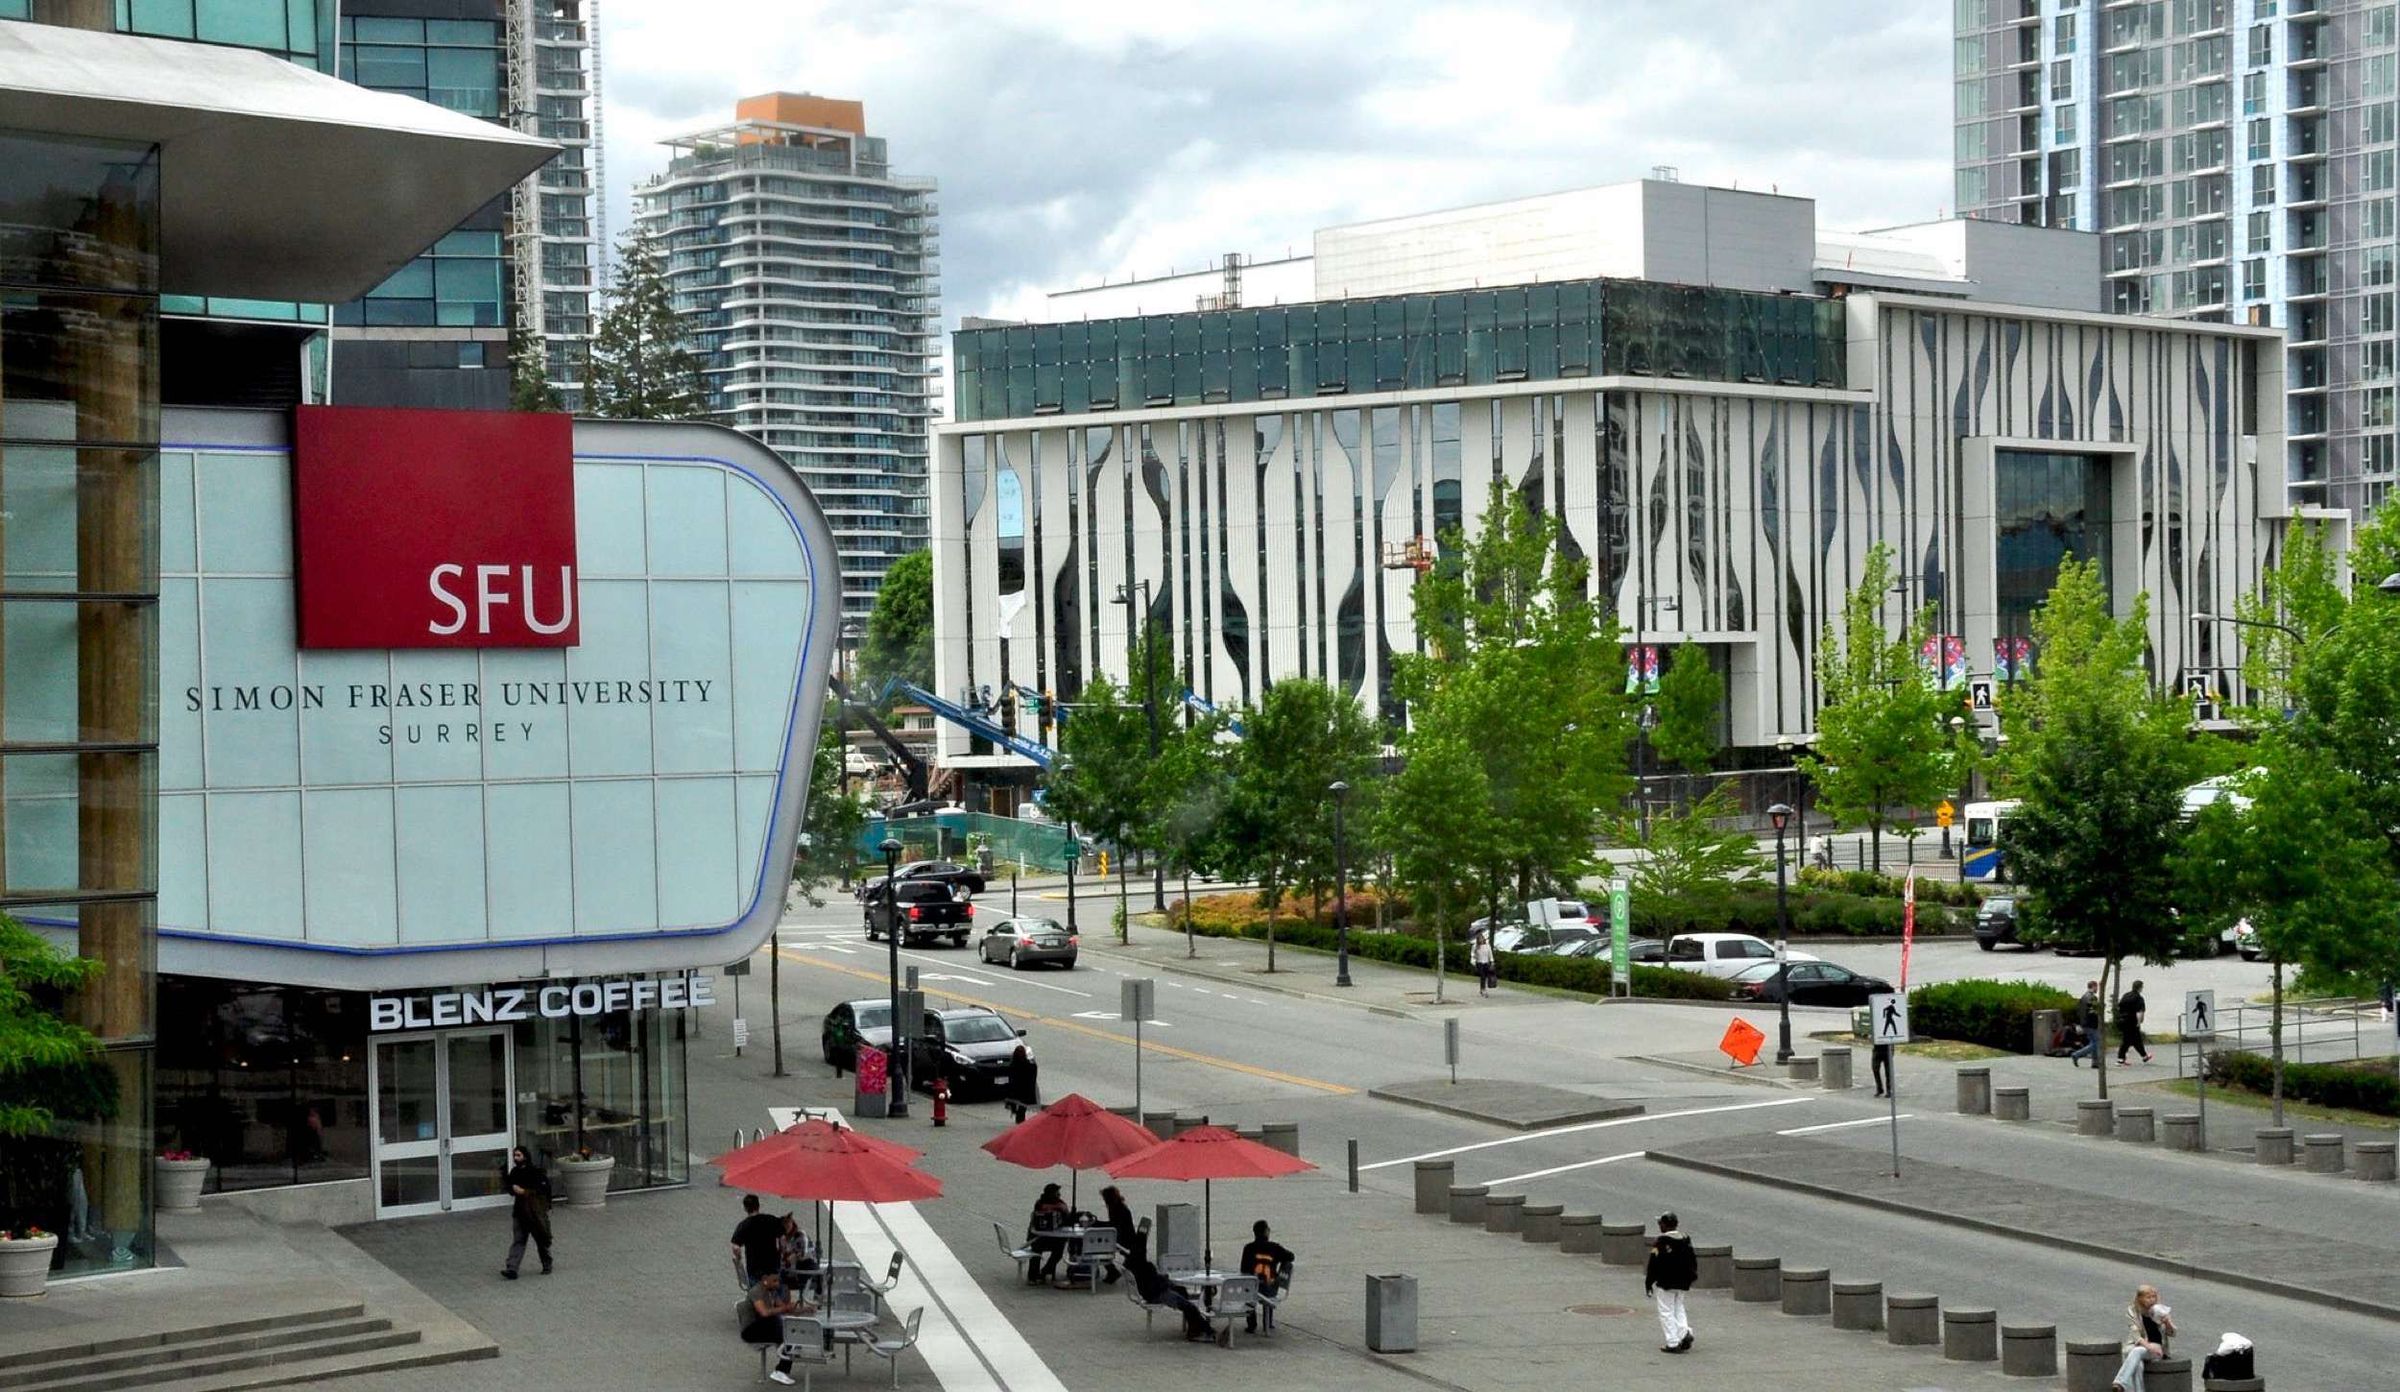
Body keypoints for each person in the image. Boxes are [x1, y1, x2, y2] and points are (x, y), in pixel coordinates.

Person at [740, 1268, 818, 1386]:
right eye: (774, 1281)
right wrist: (784, 1309)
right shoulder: (756, 1292)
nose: (778, 1284)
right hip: (751, 1329)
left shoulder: (772, 1291)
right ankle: (782, 1368)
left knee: (789, 1328)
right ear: (765, 1280)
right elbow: (764, 1312)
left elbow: (784, 1309)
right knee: (786, 1330)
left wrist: (804, 1310)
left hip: (766, 1325)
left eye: (778, 1280)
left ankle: (784, 1362)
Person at [1124, 1248, 1218, 1344]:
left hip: (1156, 1291)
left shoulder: (1135, 1264)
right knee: (1190, 1307)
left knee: (1183, 1293)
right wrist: (1165, 1281)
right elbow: (1154, 1284)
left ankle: (1194, 1326)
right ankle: (1205, 1330)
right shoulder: (1141, 1266)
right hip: (1158, 1293)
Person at [1643, 1211, 1697, 1354]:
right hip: (1683, 1282)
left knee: (1666, 1311)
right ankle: (1684, 1332)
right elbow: (1692, 1260)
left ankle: (1673, 1342)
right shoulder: (1686, 1239)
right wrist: (1691, 1277)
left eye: (1660, 1223)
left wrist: (1649, 1282)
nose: (1659, 1225)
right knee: (1679, 1307)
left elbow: (1653, 1264)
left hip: (1666, 1282)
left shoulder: (1661, 1242)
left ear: (1664, 1225)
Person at [500, 1147, 553, 1279]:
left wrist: (524, 1192)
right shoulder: (515, 1172)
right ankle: (512, 1268)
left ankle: (547, 1263)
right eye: (514, 1155)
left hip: (533, 1212)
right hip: (520, 1212)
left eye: (518, 1155)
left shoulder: (534, 1172)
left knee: (540, 1240)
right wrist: (511, 1187)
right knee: (518, 1240)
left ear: (525, 1156)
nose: (516, 1158)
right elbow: (511, 1188)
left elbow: (542, 1190)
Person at [2112, 1283, 2175, 1390]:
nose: (2152, 1300)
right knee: (2138, 1364)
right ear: (2140, 1298)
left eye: (2154, 1297)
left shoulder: (2159, 1310)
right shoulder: (2133, 1311)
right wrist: (2149, 1347)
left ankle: (2120, 1382)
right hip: (2139, 1345)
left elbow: (2172, 1333)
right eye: (2148, 1297)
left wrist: (2168, 1322)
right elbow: (2136, 1335)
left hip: (2157, 1348)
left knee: (2136, 1352)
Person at [1238, 1220, 1294, 1333]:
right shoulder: (1275, 1248)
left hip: (1252, 1289)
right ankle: (1268, 1323)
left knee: (1249, 1287)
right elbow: (1291, 1257)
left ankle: (1251, 1325)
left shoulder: (1248, 1248)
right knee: (1269, 1288)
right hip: (1270, 1288)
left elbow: (1243, 1269)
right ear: (1266, 1232)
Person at [731, 1193, 784, 1290]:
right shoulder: (771, 1220)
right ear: (758, 1206)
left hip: (754, 1270)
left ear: (745, 1208)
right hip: (773, 1267)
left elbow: (736, 1247)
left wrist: (739, 1258)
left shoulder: (744, 1225)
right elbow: (783, 1238)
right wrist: (781, 1251)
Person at [1026, 1182, 1071, 1284]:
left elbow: (1067, 1219)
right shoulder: (1042, 1204)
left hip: (1048, 1238)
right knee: (1037, 1250)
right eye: (1057, 1193)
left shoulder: (1058, 1204)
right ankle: (1036, 1275)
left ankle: (1044, 1271)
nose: (1059, 1195)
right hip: (1039, 1238)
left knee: (1058, 1251)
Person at [1099, 1184, 1140, 1282]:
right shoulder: (1117, 1206)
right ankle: (1111, 1270)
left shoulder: (1118, 1209)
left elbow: (1114, 1227)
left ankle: (1112, 1270)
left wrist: (1098, 1224)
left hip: (1124, 1240)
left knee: (1098, 1247)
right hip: (1125, 1237)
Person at [777, 1212, 821, 1298]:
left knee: (781, 1278)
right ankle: (782, 1301)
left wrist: (790, 1258)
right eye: (784, 1225)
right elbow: (782, 1255)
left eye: (788, 1224)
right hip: (791, 1268)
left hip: (805, 1265)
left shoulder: (800, 1235)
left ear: (792, 1223)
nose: (786, 1227)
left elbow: (801, 1255)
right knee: (776, 1277)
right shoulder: (782, 1237)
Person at [2117, 979, 2153, 1064]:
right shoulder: (2139, 998)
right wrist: (2139, 1022)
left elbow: (2120, 1006)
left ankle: (2144, 1056)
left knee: (2134, 1040)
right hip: (2132, 1021)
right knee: (2128, 1040)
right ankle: (2120, 1058)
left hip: (2122, 1020)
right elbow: (2140, 1012)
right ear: (2140, 988)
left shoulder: (2126, 995)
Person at [1004, 1045, 1040, 1123]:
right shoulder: (1029, 1066)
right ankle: (1020, 1120)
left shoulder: (1012, 1065)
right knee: (1022, 1107)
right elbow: (1033, 1073)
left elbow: (1010, 1077)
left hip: (1015, 1090)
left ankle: (1016, 1114)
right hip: (1025, 1091)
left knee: (1017, 1105)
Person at [2070, 980, 2103, 1067]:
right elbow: (2095, 1011)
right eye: (2097, 987)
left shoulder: (2083, 997)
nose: (2097, 989)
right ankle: (2077, 1054)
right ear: (2094, 987)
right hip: (2091, 1023)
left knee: (2093, 1041)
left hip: (2085, 1023)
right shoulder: (2092, 998)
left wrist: (2079, 1024)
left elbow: (2079, 1011)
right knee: (2096, 1043)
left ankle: (2095, 1062)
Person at [1472, 929, 1497, 997]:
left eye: (1482, 938)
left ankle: (1482, 988)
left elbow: (1490, 954)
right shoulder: (1475, 946)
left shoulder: (1487, 946)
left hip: (1486, 963)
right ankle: (1483, 990)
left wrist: (1492, 962)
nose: (1481, 940)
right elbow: (1472, 955)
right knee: (1482, 976)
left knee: (1485, 977)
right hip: (1479, 963)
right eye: (1479, 939)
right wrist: (1473, 962)